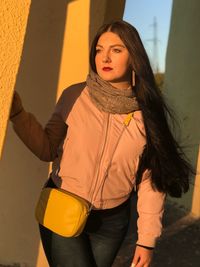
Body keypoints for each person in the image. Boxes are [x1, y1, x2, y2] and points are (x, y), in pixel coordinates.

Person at [10, 20, 193, 267]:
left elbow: (151, 180)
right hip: (63, 205)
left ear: (134, 56)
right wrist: (19, 115)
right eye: (99, 49)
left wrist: (147, 240)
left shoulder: (147, 113)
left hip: (111, 223)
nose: (104, 57)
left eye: (116, 50)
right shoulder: (74, 95)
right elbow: (47, 148)